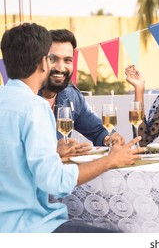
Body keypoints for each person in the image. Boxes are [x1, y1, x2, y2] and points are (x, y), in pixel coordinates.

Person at [0, 23, 145, 233]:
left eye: (67, 59)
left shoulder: (11, 99)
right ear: (43, 62)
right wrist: (110, 160)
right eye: (52, 59)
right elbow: (54, 181)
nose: (59, 66)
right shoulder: (34, 106)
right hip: (25, 226)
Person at [38, 29, 124, 159]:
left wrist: (108, 139)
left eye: (67, 60)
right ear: (40, 61)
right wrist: (54, 151)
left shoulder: (71, 96)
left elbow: (98, 131)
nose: (61, 68)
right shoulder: (22, 99)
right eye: (53, 59)